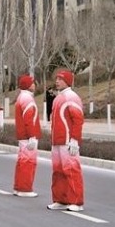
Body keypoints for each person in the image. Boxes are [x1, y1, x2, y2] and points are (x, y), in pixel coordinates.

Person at [47, 70, 85, 212]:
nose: (57, 81)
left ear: (68, 81)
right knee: (57, 172)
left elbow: (78, 120)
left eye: (61, 79)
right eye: (57, 79)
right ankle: (60, 200)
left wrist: (74, 139)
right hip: (56, 141)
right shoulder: (58, 98)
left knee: (71, 171)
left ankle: (76, 202)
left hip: (68, 141)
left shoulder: (72, 97)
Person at [13, 74, 40, 197]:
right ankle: (25, 189)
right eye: (32, 83)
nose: (34, 85)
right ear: (28, 85)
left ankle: (18, 187)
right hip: (27, 136)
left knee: (22, 162)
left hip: (23, 135)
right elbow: (28, 119)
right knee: (28, 163)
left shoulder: (21, 97)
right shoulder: (27, 99)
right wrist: (32, 136)